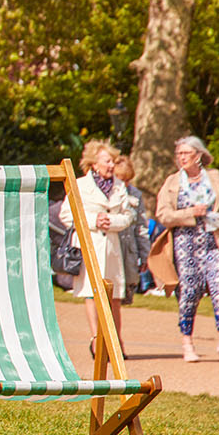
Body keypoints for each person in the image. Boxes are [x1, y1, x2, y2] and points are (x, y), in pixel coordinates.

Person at [156, 136, 219, 363]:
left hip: (215, 242)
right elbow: (163, 215)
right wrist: (189, 213)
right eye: (179, 154)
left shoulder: (216, 178)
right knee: (189, 294)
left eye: (185, 153)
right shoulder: (173, 182)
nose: (181, 158)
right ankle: (187, 344)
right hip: (185, 245)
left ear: (198, 155)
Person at [60, 141, 132, 353]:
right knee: (92, 294)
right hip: (91, 245)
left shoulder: (120, 186)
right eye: (107, 161)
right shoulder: (81, 185)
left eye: (113, 161)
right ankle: (96, 341)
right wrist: (93, 221)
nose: (111, 165)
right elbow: (66, 214)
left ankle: (116, 343)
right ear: (94, 164)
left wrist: (112, 222)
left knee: (114, 296)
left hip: (112, 247)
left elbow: (129, 216)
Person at [114, 156, 151, 304]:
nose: (125, 184)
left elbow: (141, 227)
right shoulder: (107, 193)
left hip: (128, 250)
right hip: (112, 247)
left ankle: (114, 327)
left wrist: (145, 254)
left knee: (123, 297)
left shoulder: (135, 194)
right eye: (121, 179)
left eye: (128, 180)